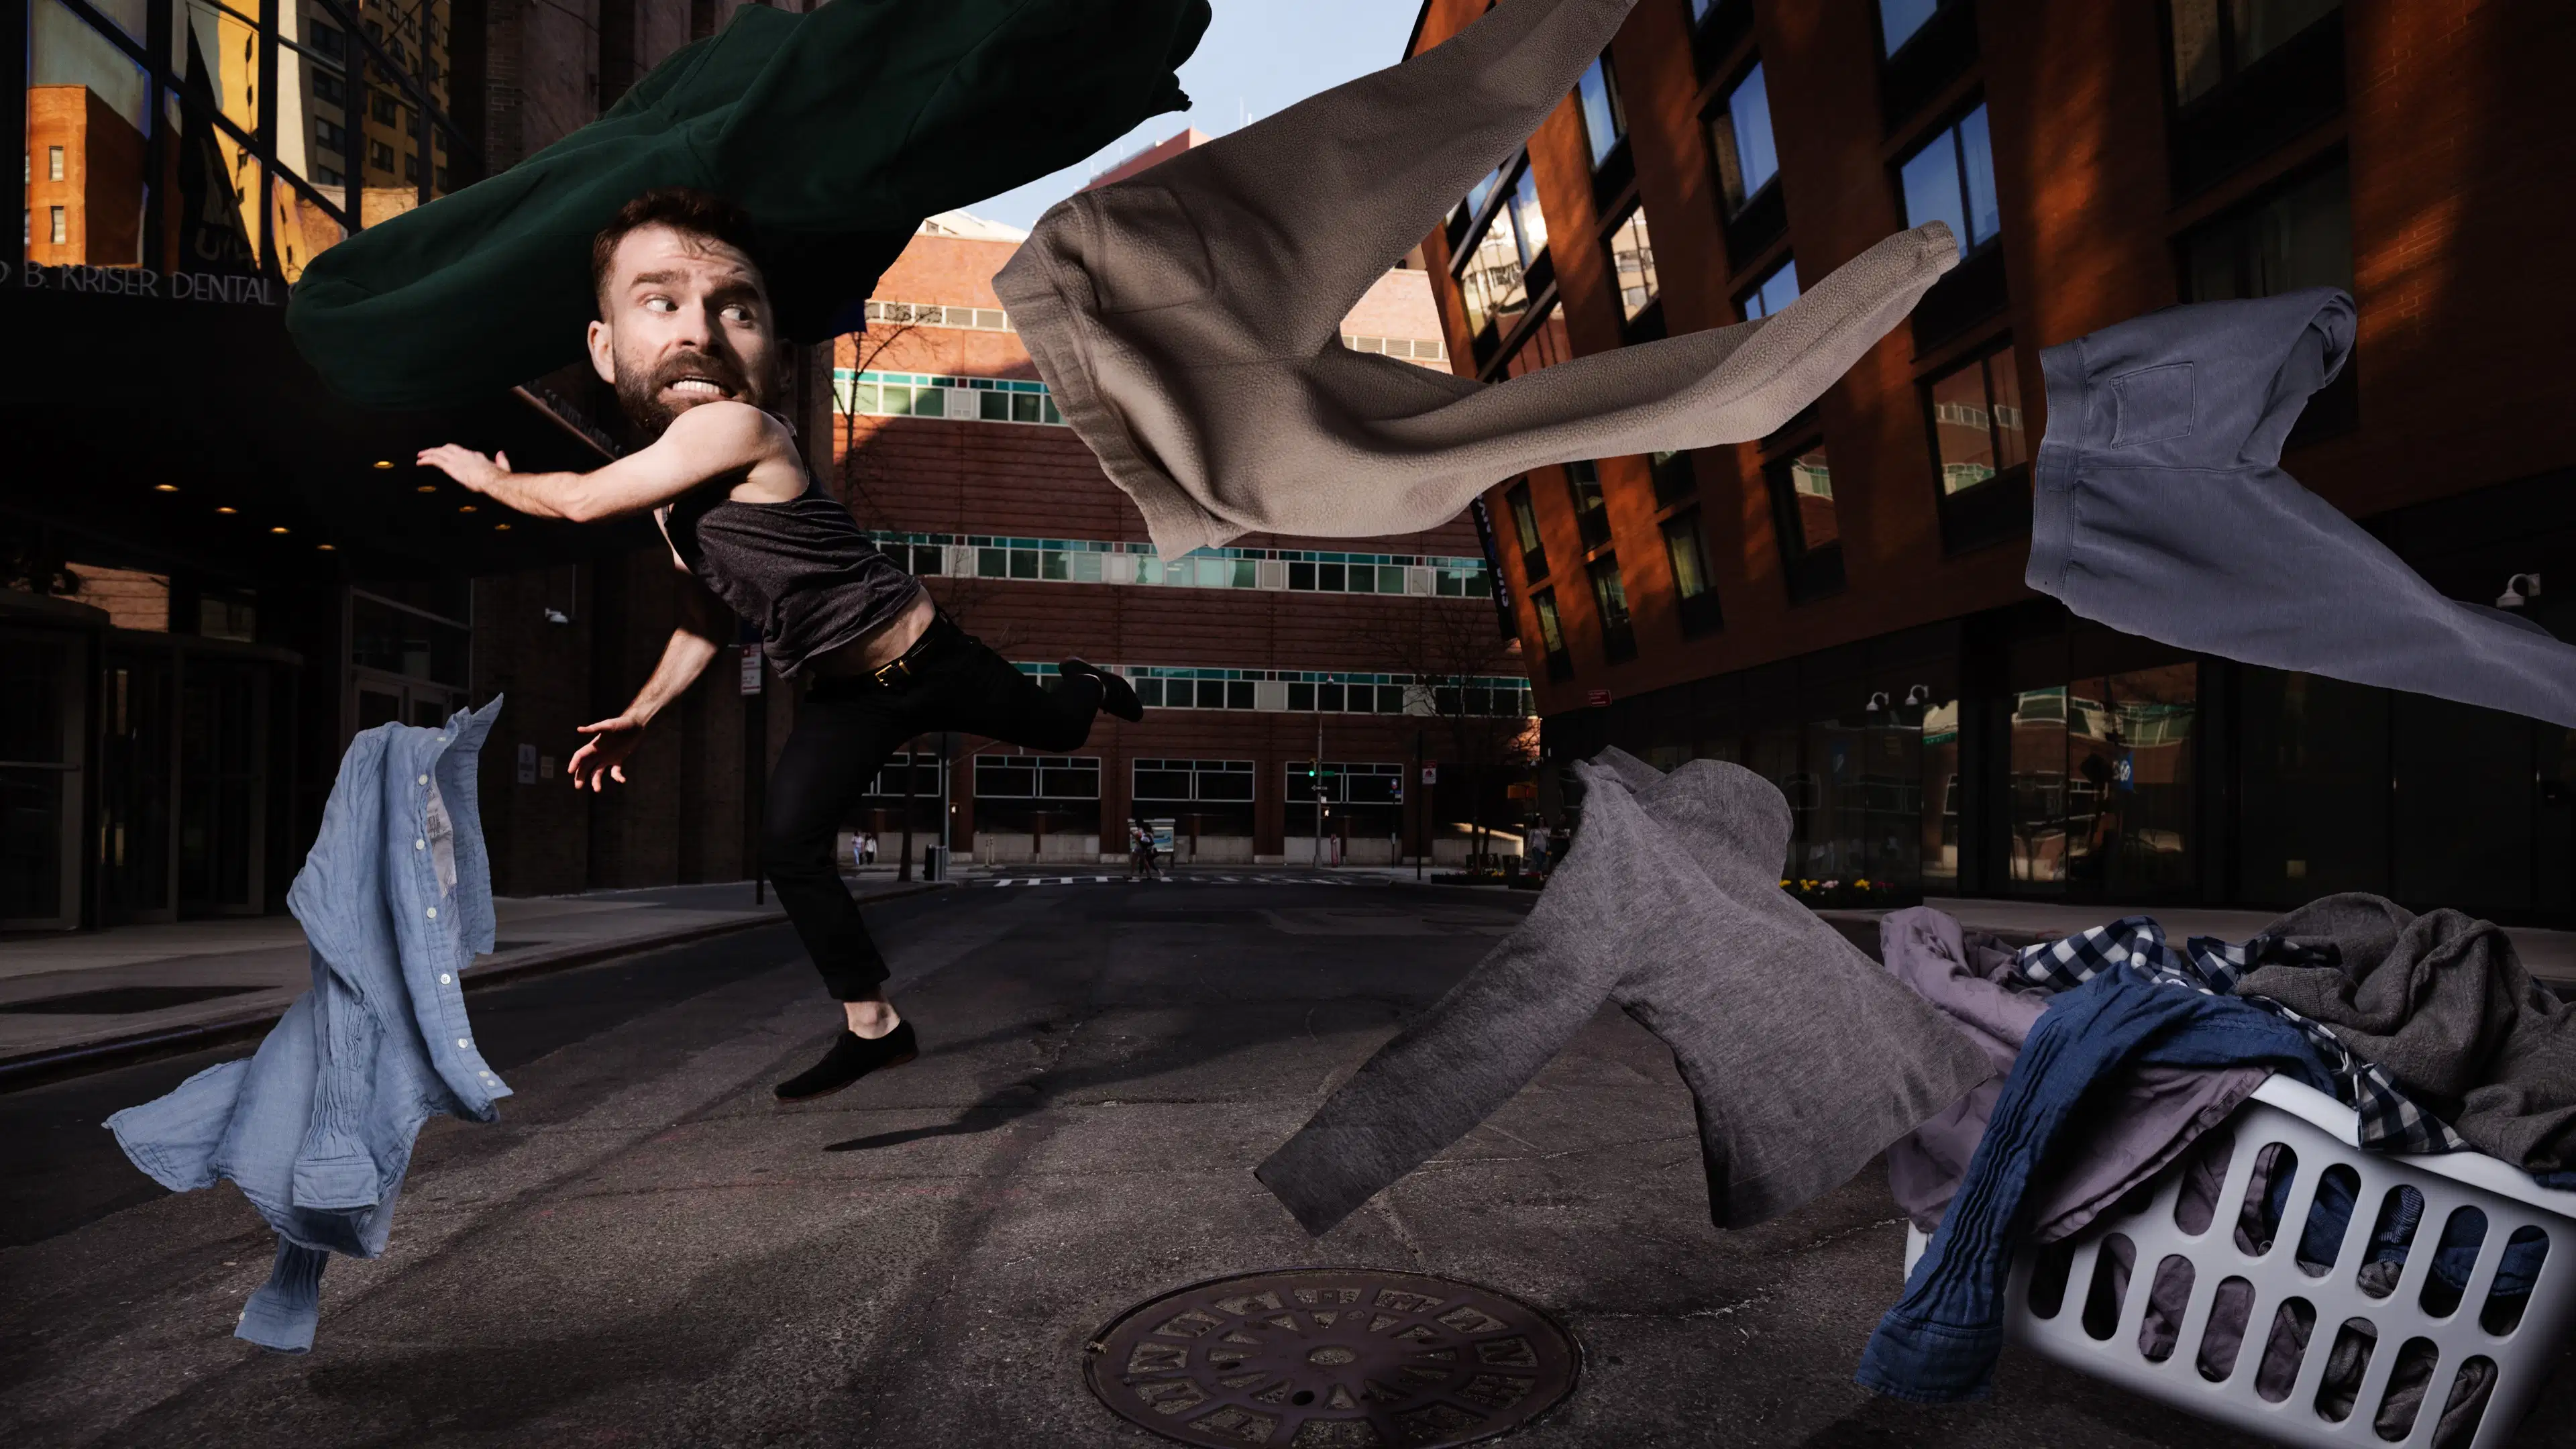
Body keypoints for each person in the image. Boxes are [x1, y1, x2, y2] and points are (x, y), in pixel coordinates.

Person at [417, 189, 1143, 1102]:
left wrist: (486, 478)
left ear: (769, 344)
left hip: (931, 657)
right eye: (663, 303)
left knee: (1063, 732)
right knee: (791, 847)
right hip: (848, 696)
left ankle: (1083, 681)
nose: (703, 335)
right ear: (603, 349)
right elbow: (712, 618)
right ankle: (874, 1025)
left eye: (736, 310)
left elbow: (576, 499)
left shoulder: (736, 426)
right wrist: (641, 713)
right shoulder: (679, 508)